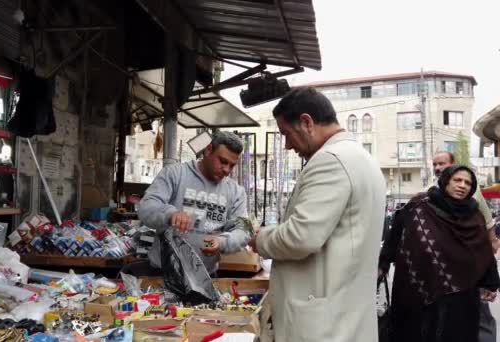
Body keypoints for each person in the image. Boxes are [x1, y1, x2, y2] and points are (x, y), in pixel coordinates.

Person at [247, 87, 386, 342]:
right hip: (341, 315)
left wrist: (261, 240)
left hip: (323, 325)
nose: (287, 145)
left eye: (286, 134)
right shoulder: (359, 157)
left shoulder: (331, 160)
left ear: (307, 122)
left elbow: (301, 236)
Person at [379, 165, 500, 342]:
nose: (462, 185)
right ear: (445, 182)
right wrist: (383, 263)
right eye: (457, 180)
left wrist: (491, 281)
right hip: (420, 291)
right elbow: (395, 235)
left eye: (468, 183)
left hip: (462, 295)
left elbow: (483, 249)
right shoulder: (419, 207)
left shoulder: (474, 216)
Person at [136, 131, 250, 276]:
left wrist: (221, 242)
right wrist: (170, 214)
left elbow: (244, 230)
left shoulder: (235, 191)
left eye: (232, 165)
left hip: (205, 276)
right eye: (223, 161)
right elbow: (146, 206)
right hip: (164, 273)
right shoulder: (175, 174)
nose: (227, 170)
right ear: (208, 150)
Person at [432, 151, 499, 342]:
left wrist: (492, 246)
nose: (438, 168)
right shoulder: (432, 193)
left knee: (480, 316)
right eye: (435, 164)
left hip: (471, 269)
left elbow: (486, 223)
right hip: (445, 273)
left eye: (442, 163)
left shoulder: (468, 191)